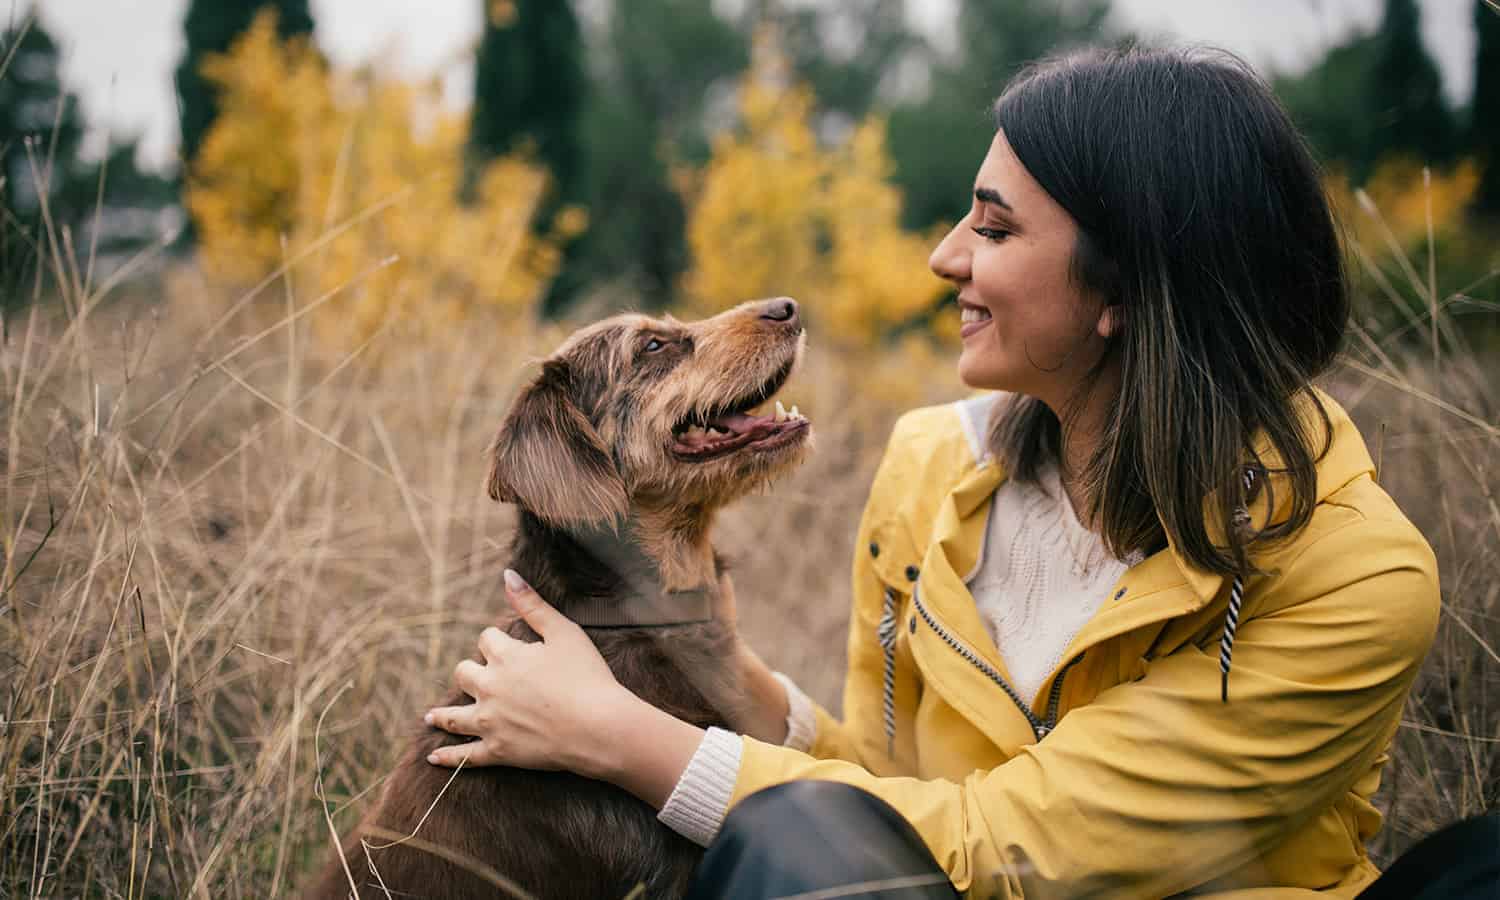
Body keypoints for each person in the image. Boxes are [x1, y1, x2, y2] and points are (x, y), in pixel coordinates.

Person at [422, 46, 1496, 898]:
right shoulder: (933, 467)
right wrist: (740, 691)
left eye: (992, 226)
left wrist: (628, 742)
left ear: (1127, 287)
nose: (945, 257)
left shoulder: (1356, 579)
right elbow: (891, 798)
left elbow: (1010, 848)